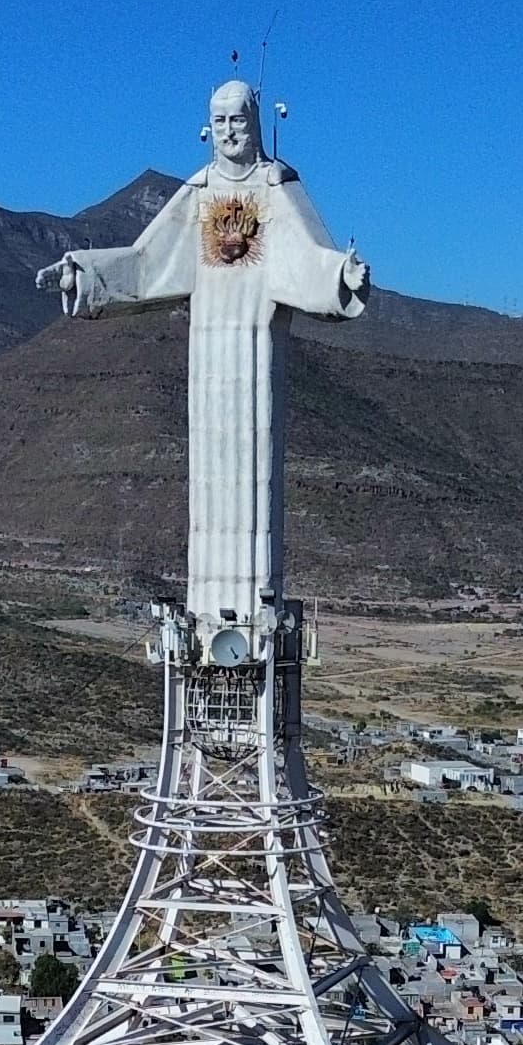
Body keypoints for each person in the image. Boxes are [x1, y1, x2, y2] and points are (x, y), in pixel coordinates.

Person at [41, 80, 368, 654]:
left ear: (256, 121)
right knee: (209, 477)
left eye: (237, 119)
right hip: (208, 358)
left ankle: (250, 627)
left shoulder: (275, 189)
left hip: (256, 355)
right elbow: (145, 265)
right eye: (218, 122)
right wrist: (82, 274)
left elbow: (308, 261)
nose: (228, 131)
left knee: (254, 475)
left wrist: (341, 277)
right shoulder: (197, 195)